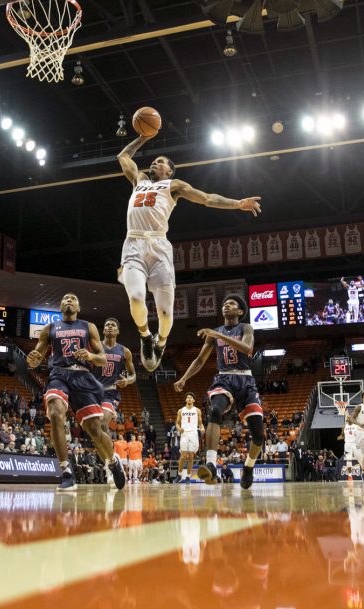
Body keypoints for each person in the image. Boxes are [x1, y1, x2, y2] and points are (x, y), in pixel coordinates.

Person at [115, 134, 262, 371]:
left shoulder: (174, 186)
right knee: (135, 297)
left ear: (169, 172)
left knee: (165, 312)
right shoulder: (139, 180)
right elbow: (123, 156)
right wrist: (143, 136)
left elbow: (207, 199)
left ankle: (160, 342)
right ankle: (145, 337)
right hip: (133, 243)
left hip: (159, 247)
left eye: (161, 162)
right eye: (154, 160)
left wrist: (237, 204)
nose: (155, 163)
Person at [25, 292, 125, 491]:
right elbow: (36, 358)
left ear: (78, 308)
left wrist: (89, 354)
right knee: (54, 413)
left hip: (82, 376)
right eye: (65, 299)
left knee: (95, 430)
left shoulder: (88, 327)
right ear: (60, 306)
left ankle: (112, 461)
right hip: (59, 375)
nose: (69, 301)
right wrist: (32, 360)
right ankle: (66, 471)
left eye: (73, 299)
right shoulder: (49, 329)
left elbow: (103, 359)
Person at [173, 295, 264, 489]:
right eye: (224, 304)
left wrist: (219, 336)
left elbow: (247, 347)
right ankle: (211, 464)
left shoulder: (245, 328)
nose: (226, 306)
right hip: (224, 378)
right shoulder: (215, 333)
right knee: (214, 411)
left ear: (240, 311)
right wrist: (184, 378)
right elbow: (199, 360)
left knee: (258, 435)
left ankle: (248, 467)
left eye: (231, 304)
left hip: (246, 379)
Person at [95, 318, 135, 486]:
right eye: (106, 325)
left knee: (103, 422)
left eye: (113, 325)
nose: (109, 327)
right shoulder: (95, 347)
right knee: (95, 434)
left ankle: (110, 466)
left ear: (118, 331)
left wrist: (128, 380)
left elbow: (133, 375)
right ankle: (111, 463)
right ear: (103, 331)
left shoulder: (124, 351)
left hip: (110, 392)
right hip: (93, 391)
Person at [175, 392, 204, 483]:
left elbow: (200, 423)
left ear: (194, 400)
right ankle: (179, 475)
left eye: (191, 397)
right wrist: (179, 429)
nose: (189, 399)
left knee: (191, 456)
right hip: (184, 434)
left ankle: (188, 476)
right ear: (185, 400)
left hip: (193, 433)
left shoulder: (197, 410)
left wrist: (202, 428)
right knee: (183, 456)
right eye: (187, 397)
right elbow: (177, 423)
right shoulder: (181, 410)